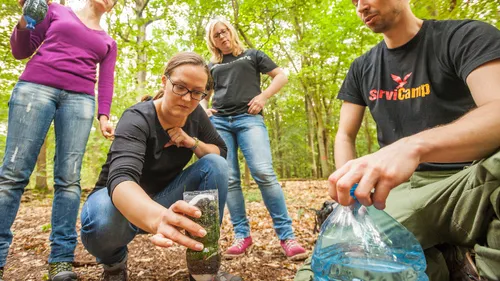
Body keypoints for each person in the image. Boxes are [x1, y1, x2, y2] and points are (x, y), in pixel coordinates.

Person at [295, 0, 500, 280]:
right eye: (354, 1)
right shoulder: (362, 67)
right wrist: (350, 187)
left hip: (470, 178)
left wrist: (413, 146)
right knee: (335, 266)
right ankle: (444, 260)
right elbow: (344, 134)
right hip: (397, 191)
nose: (360, 6)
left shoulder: (464, 36)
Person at [80, 52, 243, 281]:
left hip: (165, 199)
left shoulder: (196, 115)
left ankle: (203, 267)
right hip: (118, 204)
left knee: (214, 164)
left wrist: (191, 141)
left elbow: (220, 152)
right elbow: (122, 178)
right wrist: (158, 218)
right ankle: (114, 264)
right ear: (165, 82)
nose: (187, 98)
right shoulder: (138, 117)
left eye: (197, 92)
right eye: (180, 87)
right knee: (104, 218)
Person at [0, 0, 118, 280]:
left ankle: (61, 260)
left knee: (69, 180)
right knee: (13, 174)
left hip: (80, 101)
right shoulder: (54, 9)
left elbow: (106, 80)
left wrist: (104, 115)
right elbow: (21, 49)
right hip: (35, 89)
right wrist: (26, 19)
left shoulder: (108, 41)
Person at [203, 19, 308, 261]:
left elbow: (281, 76)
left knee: (263, 172)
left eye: (224, 31)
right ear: (212, 41)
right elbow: (204, 94)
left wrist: (262, 98)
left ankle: (287, 237)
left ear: (231, 31)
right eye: (216, 35)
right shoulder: (211, 65)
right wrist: (204, 109)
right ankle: (242, 236)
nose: (222, 37)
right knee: (229, 179)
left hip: (249, 120)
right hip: (220, 123)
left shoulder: (252, 55)